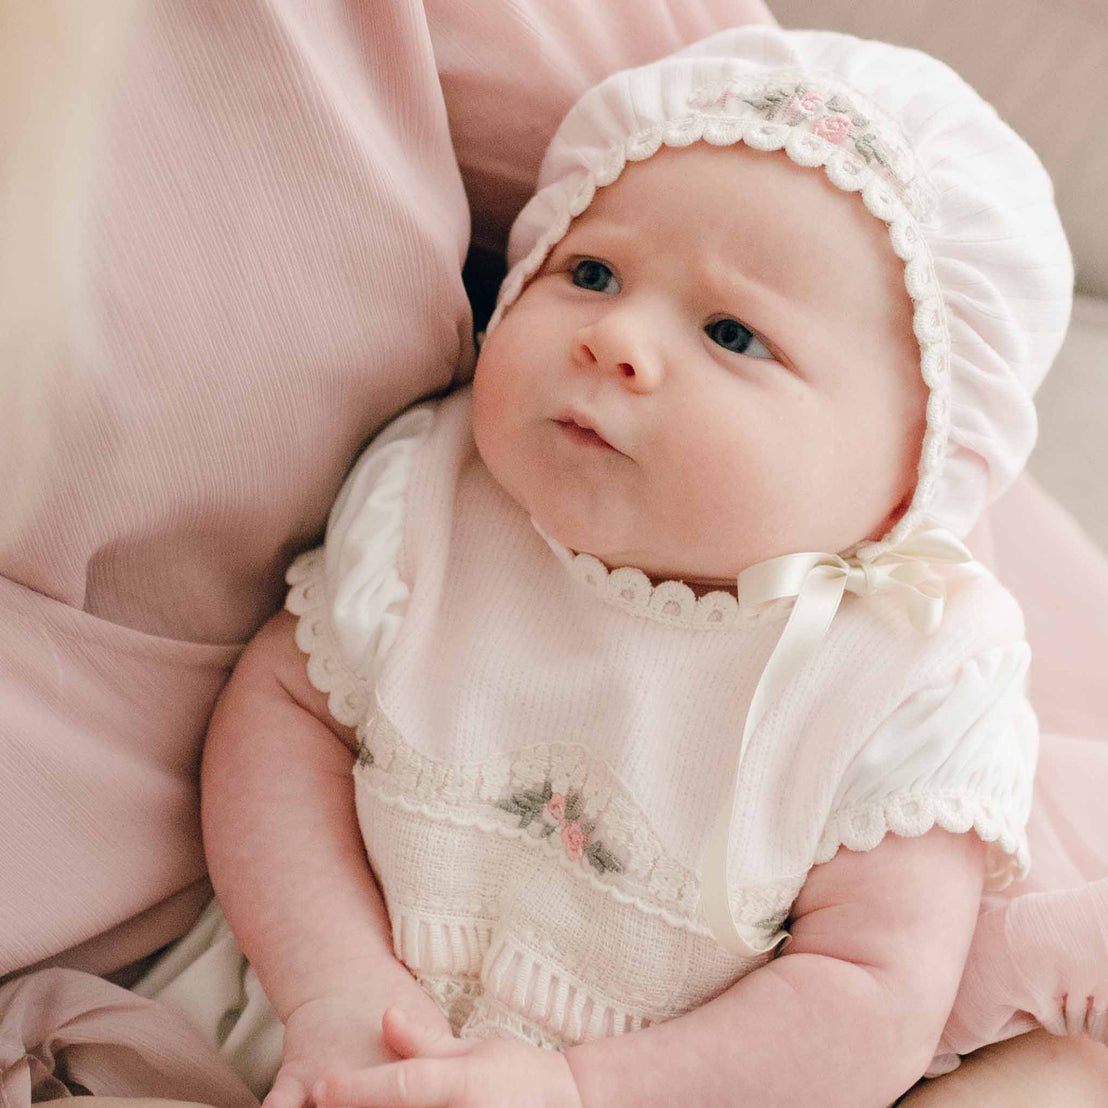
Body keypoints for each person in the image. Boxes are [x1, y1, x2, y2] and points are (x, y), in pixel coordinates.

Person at [193, 24, 1107, 1108]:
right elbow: (285, 716)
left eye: (731, 333)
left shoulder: (903, 672)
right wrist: (336, 990)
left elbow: (866, 996)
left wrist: (579, 1088)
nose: (616, 336)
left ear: (916, 469)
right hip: (349, 1035)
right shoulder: (434, 498)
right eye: (591, 271)